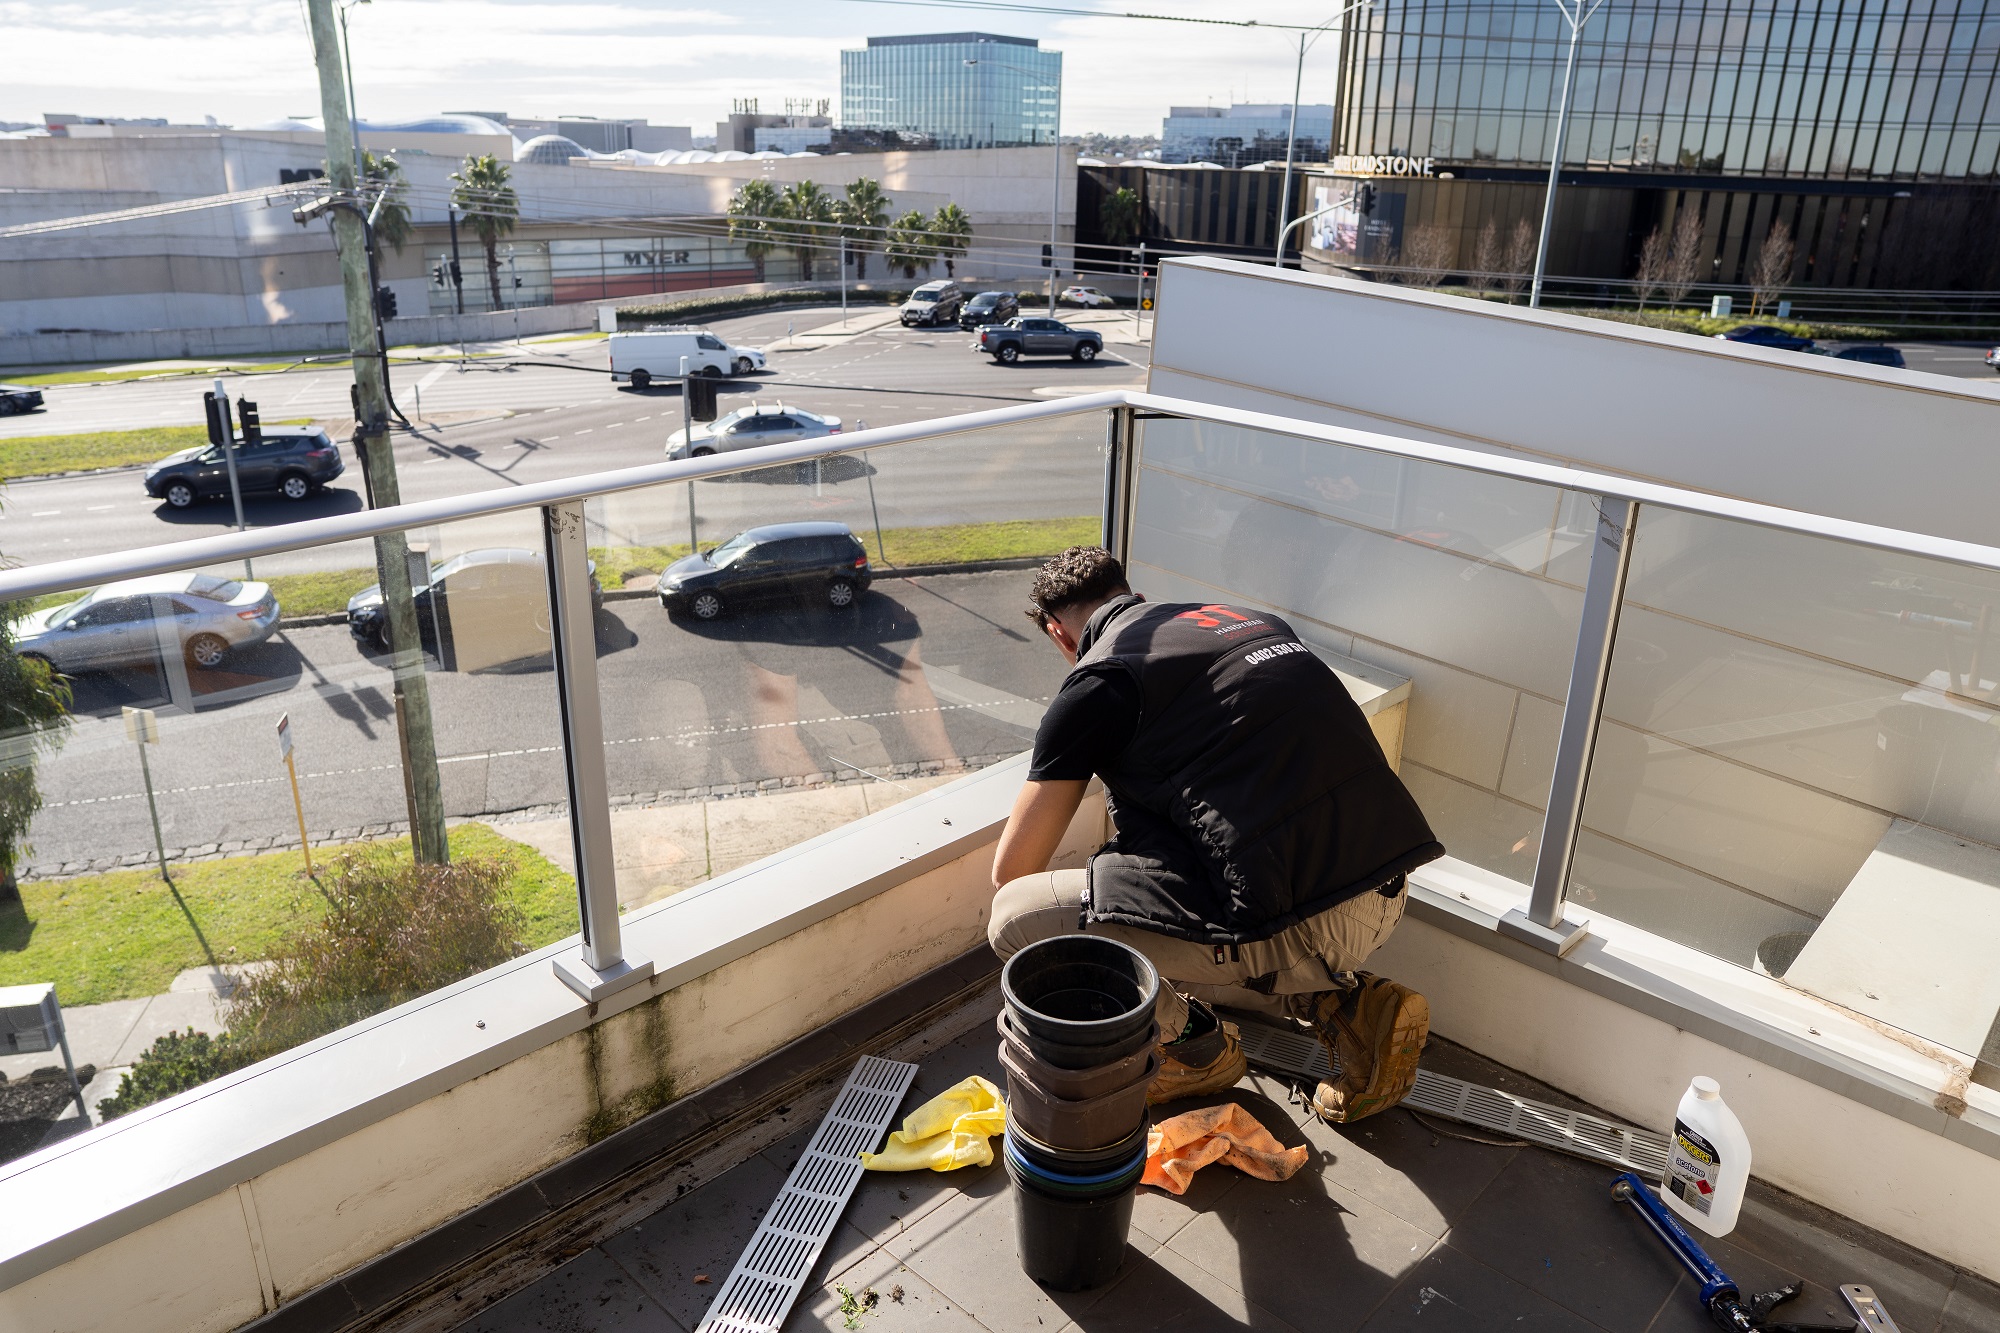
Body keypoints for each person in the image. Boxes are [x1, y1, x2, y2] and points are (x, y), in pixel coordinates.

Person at [988, 547, 1444, 1121]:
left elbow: (1012, 872)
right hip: (1386, 887)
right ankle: (1347, 1008)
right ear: (1135, 597)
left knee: (1017, 920)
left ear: (1059, 634)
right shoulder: (1248, 623)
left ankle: (1196, 1050)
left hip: (1304, 919)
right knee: (1177, 916)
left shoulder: (1099, 684)